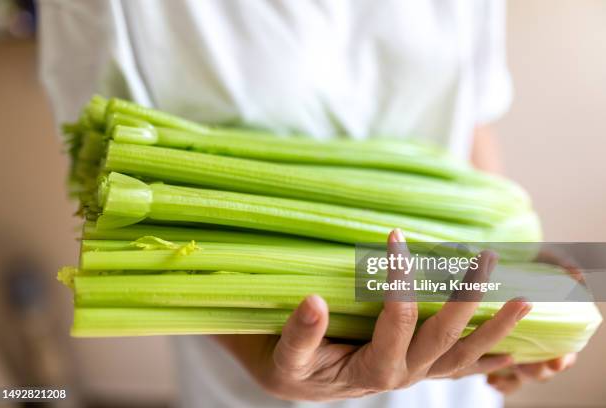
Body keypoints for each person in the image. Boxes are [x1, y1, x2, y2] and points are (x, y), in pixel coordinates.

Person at [38, 1, 576, 406]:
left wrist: (504, 293)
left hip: (453, 375)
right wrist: (265, 364)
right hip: (262, 374)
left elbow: (467, 114)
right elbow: (109, 183)